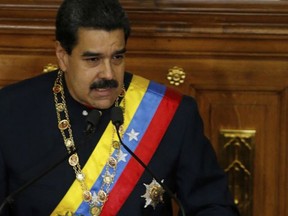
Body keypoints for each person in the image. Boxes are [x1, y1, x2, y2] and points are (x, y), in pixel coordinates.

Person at [0, 0, 239, 215]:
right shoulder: (10, 111)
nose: (108, 74)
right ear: (62, 55)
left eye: (117, 58)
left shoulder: (172, 114)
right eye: (93, 60)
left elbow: (213, 206)